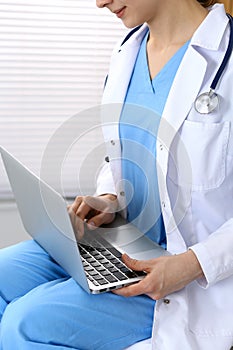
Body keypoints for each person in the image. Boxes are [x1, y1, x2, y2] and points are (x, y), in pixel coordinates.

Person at [0, 0, 233, 349]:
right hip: (117, 241)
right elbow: (124, 154)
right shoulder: (128, 52)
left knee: (23, 325)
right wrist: (110, 198)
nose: (100, 2)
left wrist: (192, 265)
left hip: (183, 275)